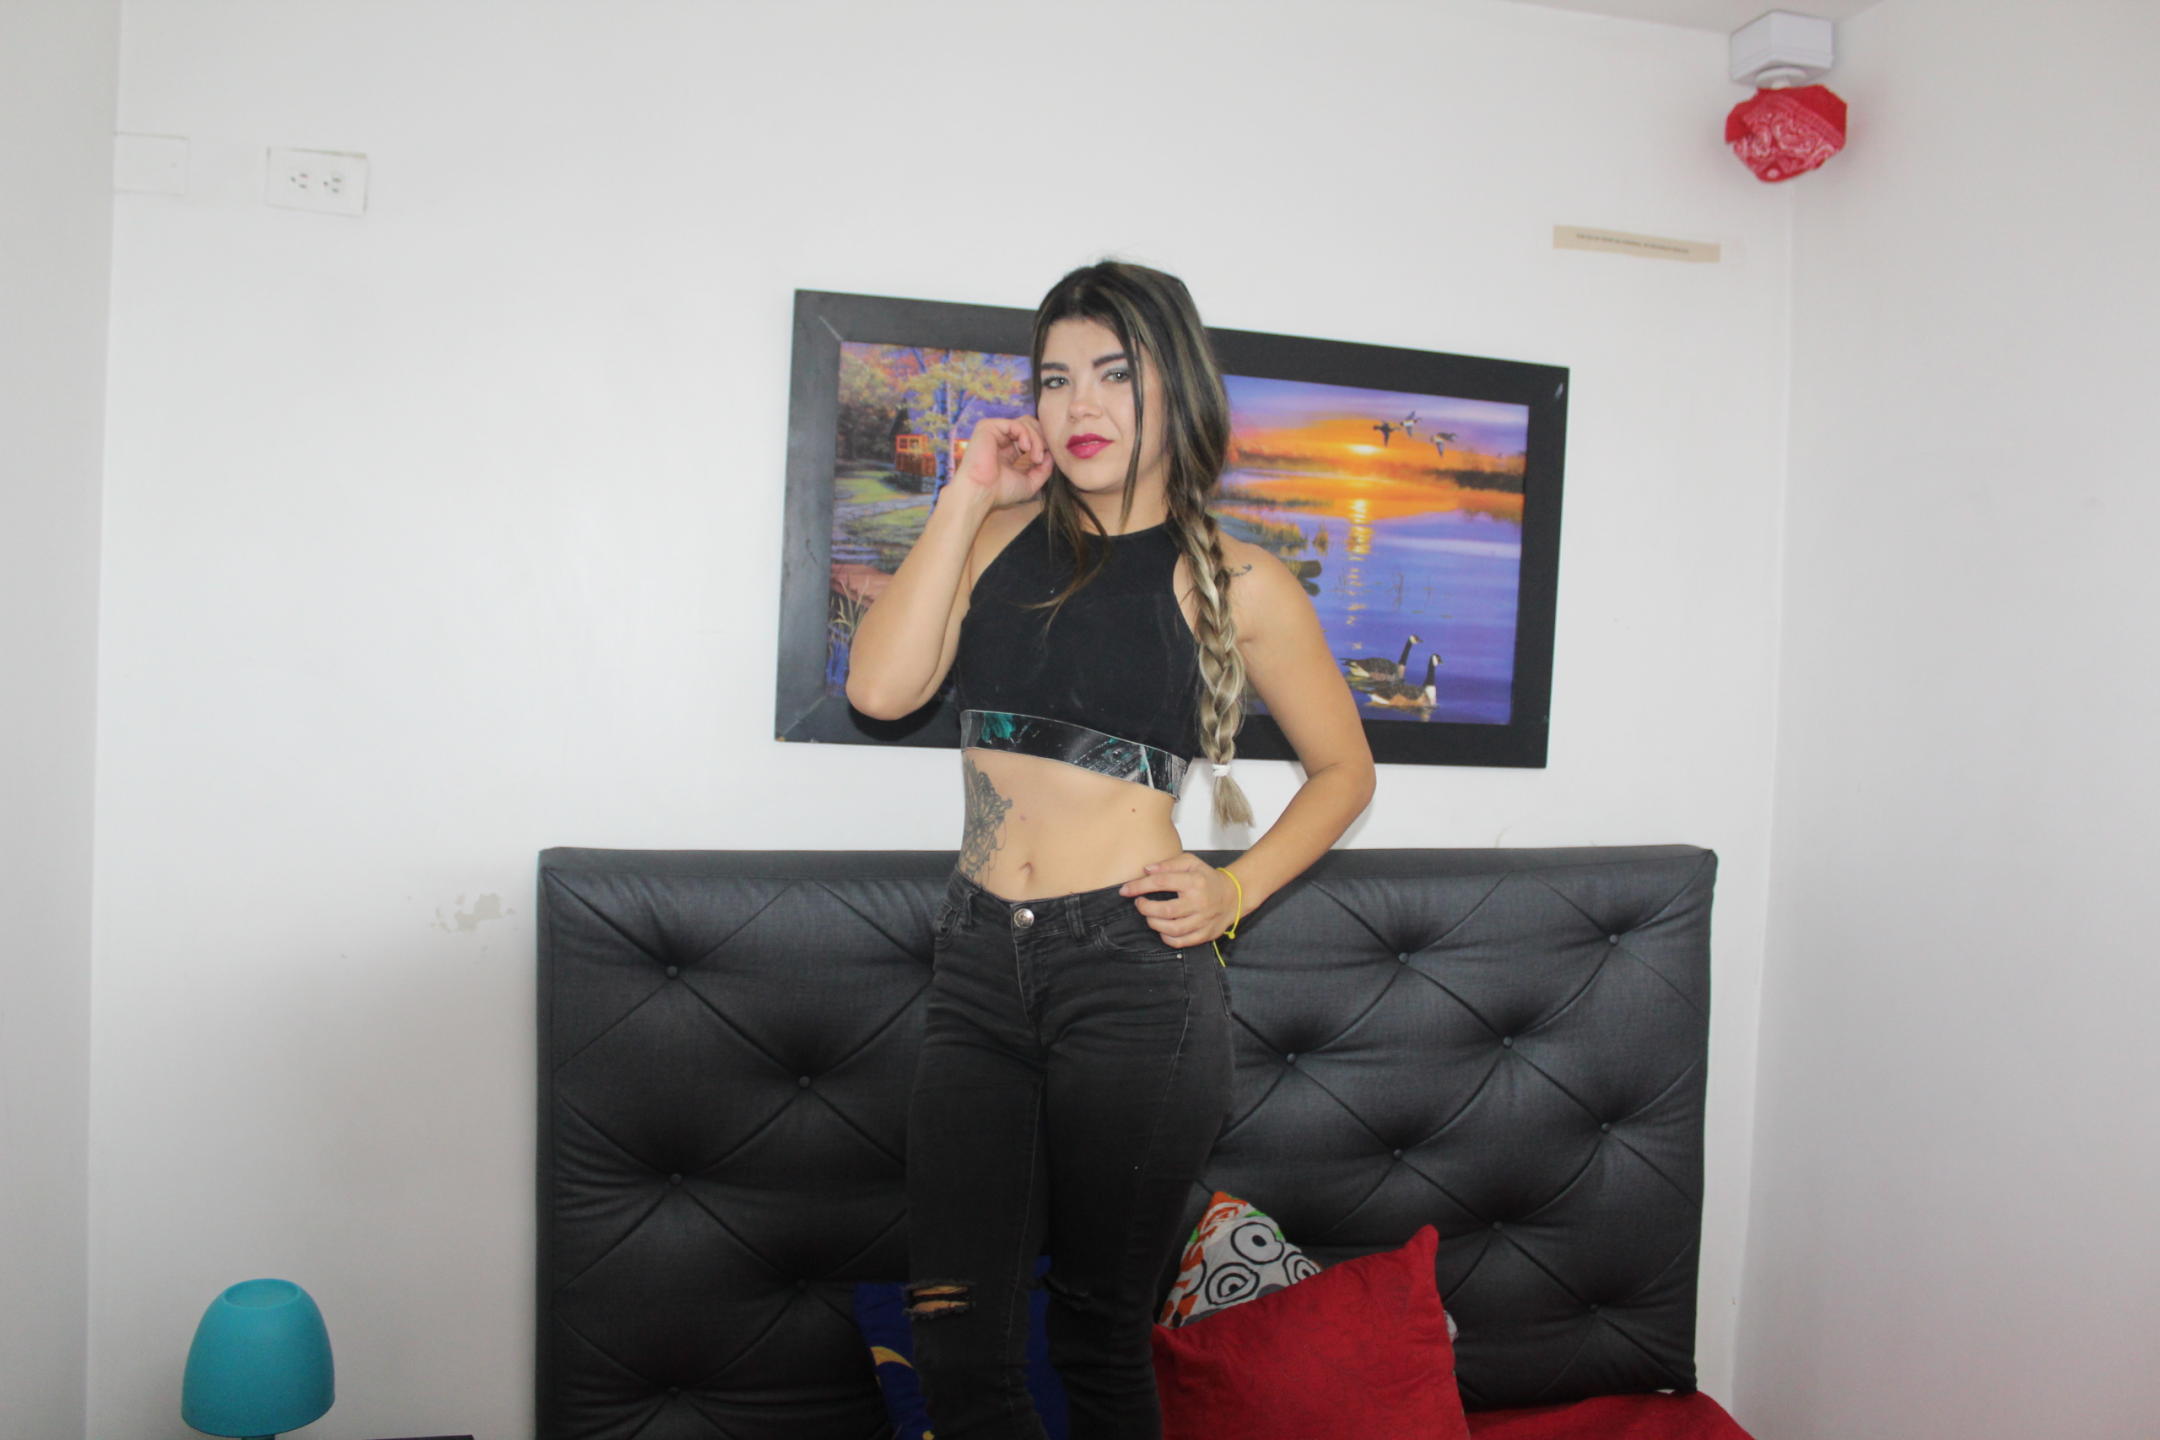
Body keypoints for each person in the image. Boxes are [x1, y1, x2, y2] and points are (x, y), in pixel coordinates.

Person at [845, 260, 1375, 1440]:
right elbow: (880, 690)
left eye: (1115, 375)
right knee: (956, 1338)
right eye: (1055, 379)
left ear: (1176, 386)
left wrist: (1235, 889)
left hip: (1132, 974)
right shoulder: (993, 536)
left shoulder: (1238, 579)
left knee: (1096, 1334)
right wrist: (965, 493)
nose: (1079, 404)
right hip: (978, 966)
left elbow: (1346, 772)